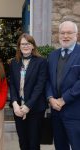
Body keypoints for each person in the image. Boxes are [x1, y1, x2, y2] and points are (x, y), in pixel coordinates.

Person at [9, 33, 48, 150]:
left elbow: (40, 86)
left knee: (33, 142)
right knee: (23, 141)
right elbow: (12, 85)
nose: (25, 46)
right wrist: (15, 103)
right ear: (19, 46)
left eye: (28, 43)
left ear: (33, 46)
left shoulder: (41, 62)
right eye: (22, 44)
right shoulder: (14, 62)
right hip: (18, 109)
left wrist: (28, 106)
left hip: (35, 108)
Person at [46, 21, 80, 150]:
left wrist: (64, 99)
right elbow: (48, 80)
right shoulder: (53, 55)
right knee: (60, 146)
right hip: (56, 112)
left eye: (69, 33)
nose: (65, 36)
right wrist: (50, 98)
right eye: (62, 33)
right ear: (58, 35)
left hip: (75, 113)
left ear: (76, 35)